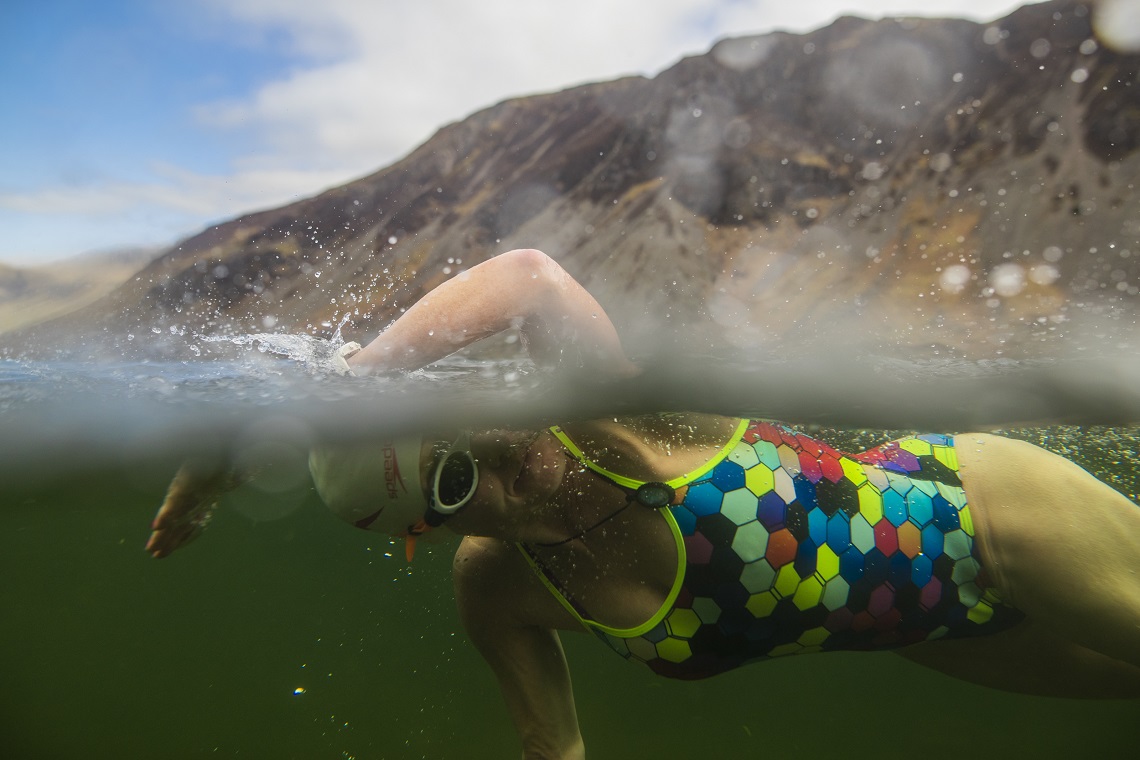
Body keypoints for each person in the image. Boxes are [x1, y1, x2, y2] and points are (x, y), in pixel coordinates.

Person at [148, 248, 1140, 759]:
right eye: (455, 479)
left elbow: (531, 277)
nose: (495, 446)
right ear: (426, 530)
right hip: (932, 632)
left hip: (986, 509)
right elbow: (555, 744)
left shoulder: (615, 419)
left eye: (468, 415)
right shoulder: (498, 588)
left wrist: (340, 393)